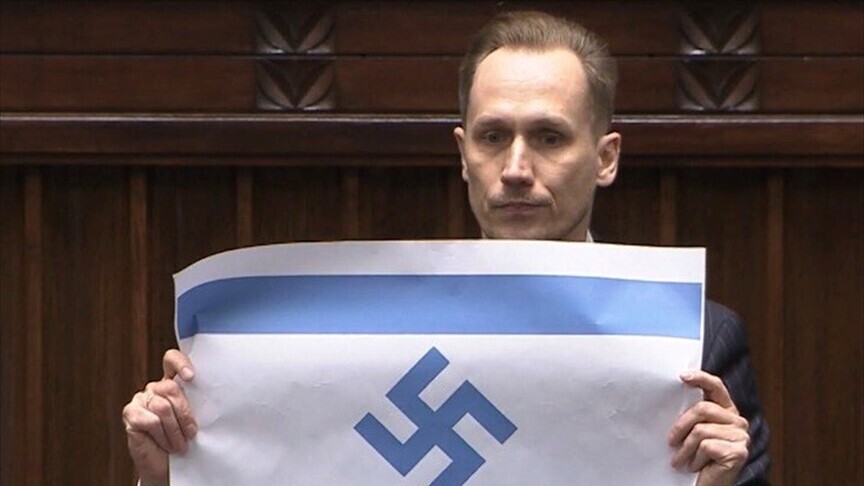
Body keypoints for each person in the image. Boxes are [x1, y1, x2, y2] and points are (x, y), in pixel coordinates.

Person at [122, 10, 769, 485]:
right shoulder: (326, 338)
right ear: (463, 155)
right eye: (493, 137)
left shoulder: (697, 341)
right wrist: (169, 475)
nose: (515, 167)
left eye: (548, 137)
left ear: (604, 158)